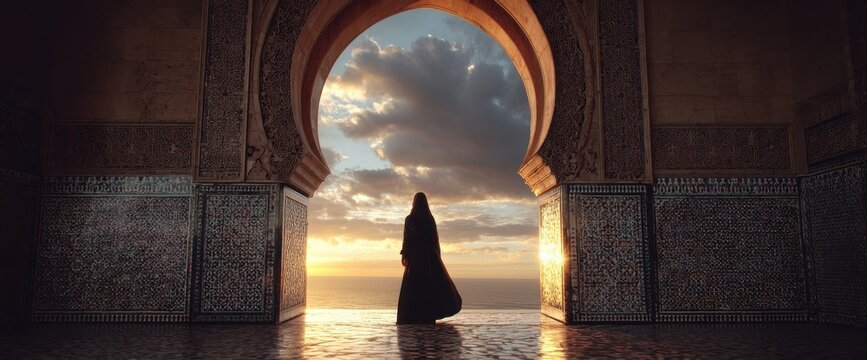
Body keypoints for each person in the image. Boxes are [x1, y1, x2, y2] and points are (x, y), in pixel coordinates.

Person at [397, 192, 462, 324]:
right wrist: (437, 257)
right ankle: (427, 316)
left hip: (415, 256)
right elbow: (435, 240)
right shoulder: (429, 219)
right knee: (428, 286)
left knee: (414, 286)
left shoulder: (410, 219)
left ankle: (413, 317)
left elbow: (407, 240)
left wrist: (404, 255)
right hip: (429, 256)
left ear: (414, 203)